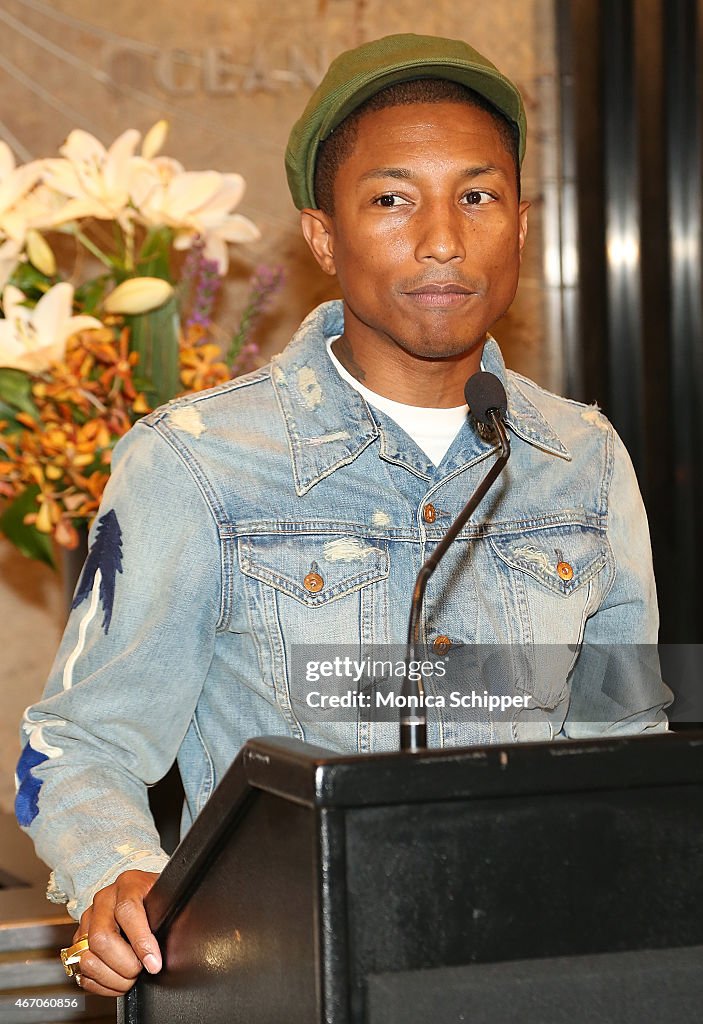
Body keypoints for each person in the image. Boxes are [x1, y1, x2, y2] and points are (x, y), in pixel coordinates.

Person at [15, 33, 670, 998]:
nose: (442, 238)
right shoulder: (195, 461)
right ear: (323, 236)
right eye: (392, 199)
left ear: (522, 223)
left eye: (478, 196)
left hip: (533, 977)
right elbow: (83, 744)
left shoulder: (582, 459)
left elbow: (622, 740)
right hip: (287, 984)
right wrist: (117, 872)